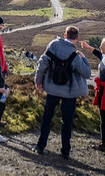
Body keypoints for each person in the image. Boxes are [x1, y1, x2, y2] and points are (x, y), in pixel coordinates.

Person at [34, 25, 92, 159]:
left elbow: (42, 63)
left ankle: (41, 145)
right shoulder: (75, 56)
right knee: (67, 121)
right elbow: (87, 73)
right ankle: (65, 151)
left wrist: (38, 81)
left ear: (65, 35)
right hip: (69, 93)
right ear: (76, 39)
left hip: (52, 89)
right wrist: (84, 58)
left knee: (47, 117)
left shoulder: (53, 45)